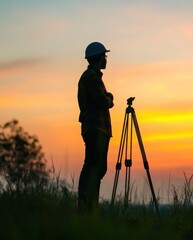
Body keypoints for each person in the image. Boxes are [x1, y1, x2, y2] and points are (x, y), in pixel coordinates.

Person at [77, 42, 114, 212]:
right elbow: (102, 101)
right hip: (95, 128)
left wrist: (106, 98)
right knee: (92, 166)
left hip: (99, 129)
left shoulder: (93, 77)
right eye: (104, 56)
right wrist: (109, 98)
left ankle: (91, 207)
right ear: (99, 58)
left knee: (98, 168)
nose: (106, 59)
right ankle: (87, 206)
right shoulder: (91, 77)